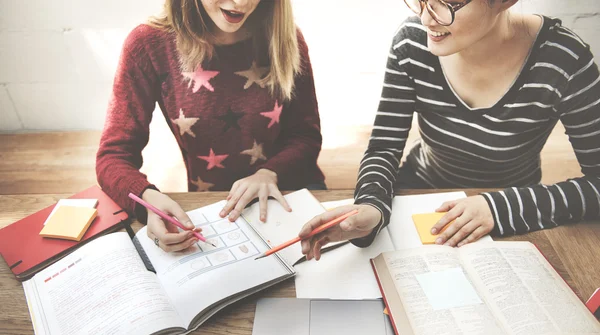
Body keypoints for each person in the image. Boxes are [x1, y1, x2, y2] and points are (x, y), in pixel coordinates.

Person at [300, 0, 600, 260]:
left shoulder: (564, 60)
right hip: (420, 194)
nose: (427, 17)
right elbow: (384, 147)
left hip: (515, 207)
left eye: (448, 3)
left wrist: (497, 208)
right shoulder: (412, 43)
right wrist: (371, 205)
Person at [96, 0, 324, 253]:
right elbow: (112, 157)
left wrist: (268, 173)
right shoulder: (148, 44)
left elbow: (306, 136)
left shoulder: (285, 37)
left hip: (291, 190)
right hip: (215, 205)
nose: (242, 3)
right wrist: (148, 200)